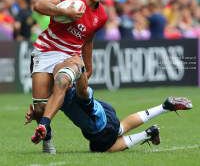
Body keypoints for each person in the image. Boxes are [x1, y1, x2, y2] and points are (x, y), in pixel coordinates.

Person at [25, 54, 193, 153]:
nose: (63, 82)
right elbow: (49, 107)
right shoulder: (58, 94)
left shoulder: (77, 94)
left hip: (99, 125)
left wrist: (81, 67)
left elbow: (83, 90)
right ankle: (163, 107)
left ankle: (148, 133)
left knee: (101, 147)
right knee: (120, 128)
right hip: (103, 113)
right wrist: (36, 114)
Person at [30, 0, 114, 152]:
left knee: (62, 80)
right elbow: (38, 5)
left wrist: (88, 68)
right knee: (39, 107)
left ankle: (43, 125)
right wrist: (64, 12)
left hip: (70, 56)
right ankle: (47, 135)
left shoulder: (101, 16)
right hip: (45, 50)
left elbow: (88, 40)